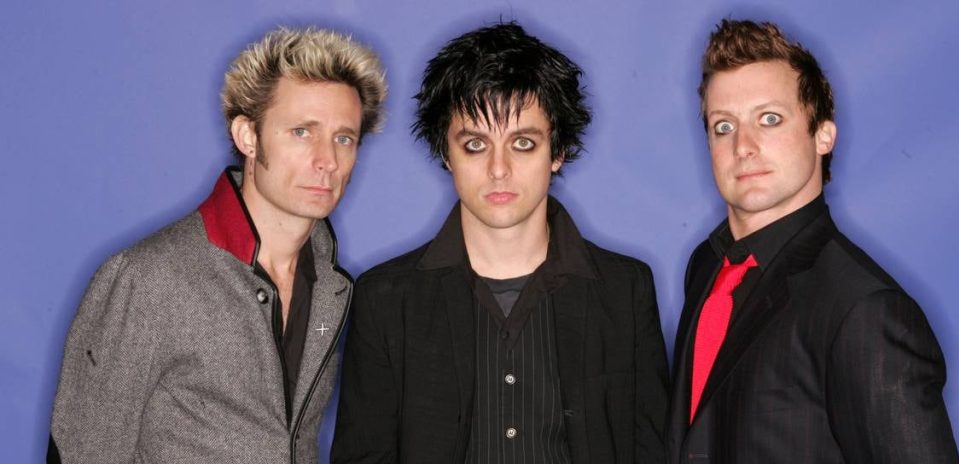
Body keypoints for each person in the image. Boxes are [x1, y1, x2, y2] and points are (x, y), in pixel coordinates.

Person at [332, 22, 668, 463]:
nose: (498, 169)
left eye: (523, 143)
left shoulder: (625, 291)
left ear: (557, 151)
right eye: (475, 144)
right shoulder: (386, 301)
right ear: (446, 153)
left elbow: (652, 451)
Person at [49, 26, 386, 463]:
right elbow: (81, 451)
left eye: (344, 138)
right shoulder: (147, 279)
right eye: (302, 132)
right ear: (248, 136)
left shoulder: (332, 289)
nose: (327, 160)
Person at [666, 19, 959, 463]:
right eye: (723, 126)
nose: (743, 145)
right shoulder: (707, 266)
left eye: (770, 119)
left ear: (823, 135)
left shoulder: (864, 310)